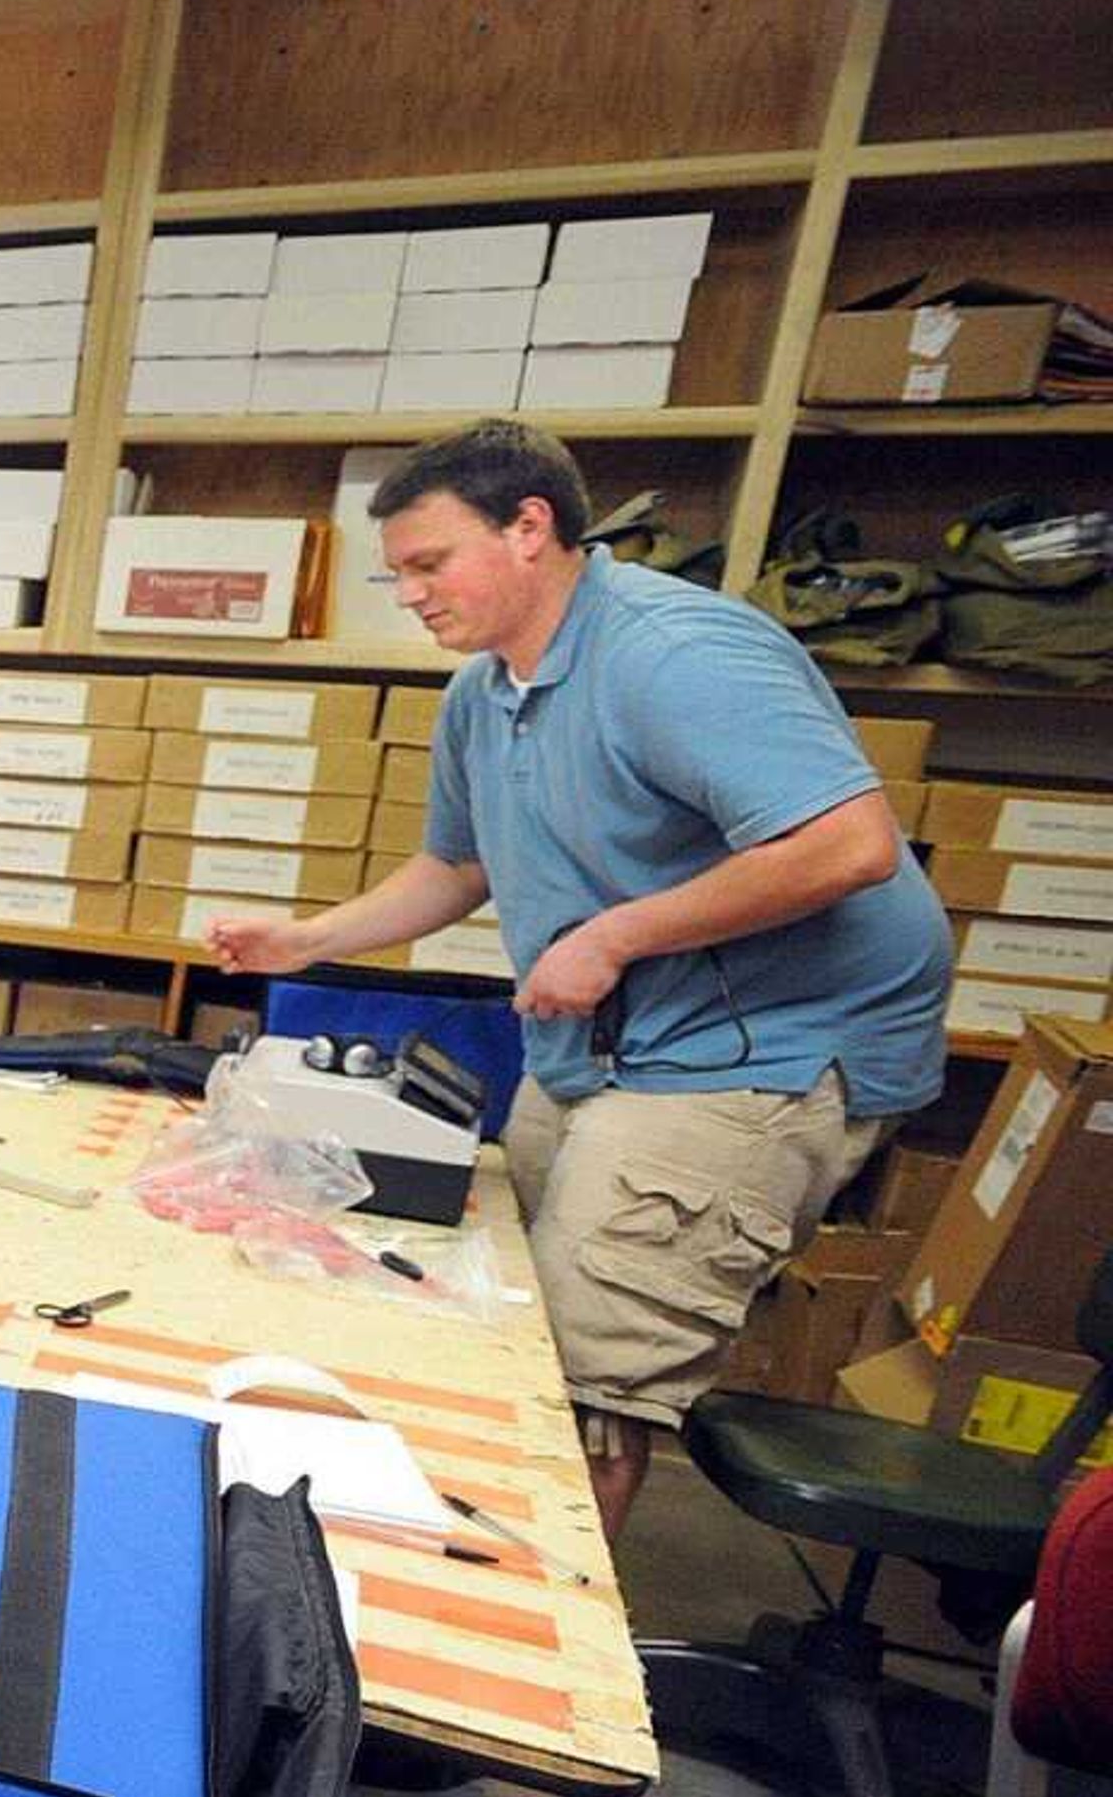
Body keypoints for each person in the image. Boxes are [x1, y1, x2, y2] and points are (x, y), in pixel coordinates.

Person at [204, 420, 951, 1534]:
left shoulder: (677, 654)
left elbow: (847, 847)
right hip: (604, 1045)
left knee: (580, 1390)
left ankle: (540, 1666)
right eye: (396, 571)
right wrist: (311, 939)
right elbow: (456, 866)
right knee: (512, 1324)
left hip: (754, 1050)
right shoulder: (485, 691)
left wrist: (614, 936)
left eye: (427, 564)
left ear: (530, 529)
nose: (408, 595)